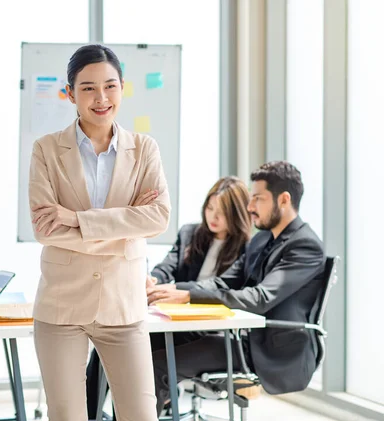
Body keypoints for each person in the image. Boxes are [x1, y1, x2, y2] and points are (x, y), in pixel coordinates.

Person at [28, 44, 171, 421]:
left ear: (122, 87)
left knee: (141, 413)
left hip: (123, 305)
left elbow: (157, 218)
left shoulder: (144, 149)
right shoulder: (45, 149)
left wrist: (76, 220)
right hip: (61, 306)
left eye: (110, 85)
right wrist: (124, 229)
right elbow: (44, 227)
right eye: (88, 87)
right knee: (66, 415)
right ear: (70, 93)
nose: (101, 97)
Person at [148, 161, 326, 415]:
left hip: (265, 348)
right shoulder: (263, 239)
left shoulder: (305, 246)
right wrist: (173, 291)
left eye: (257, 199)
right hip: (240, 337)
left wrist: (188, 295)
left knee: (159, 365)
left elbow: (260, 297)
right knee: (144, 341)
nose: (250, 207)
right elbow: (223, 282)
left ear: (284, 200)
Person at [85, 176, 252, 418]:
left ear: (236, 214)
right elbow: (167, 266)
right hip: (175, 324)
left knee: (140, 358)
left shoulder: (246, 247)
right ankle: (89, 415)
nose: (213, 217)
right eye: (210, 207)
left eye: (222, 212)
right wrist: (153, 280)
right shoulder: (190, 233)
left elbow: (220, 287)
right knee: (110, 349)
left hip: (210, 330)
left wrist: (178, 291)